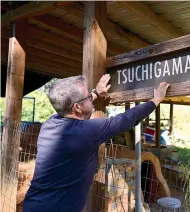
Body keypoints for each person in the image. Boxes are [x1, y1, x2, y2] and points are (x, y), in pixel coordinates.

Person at [23, 74, 170, 212]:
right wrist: (155, 100)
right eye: (87, 96)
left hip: (33, 204)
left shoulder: (50, 124)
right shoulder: (85, 132)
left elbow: (71, 109)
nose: (90, 97)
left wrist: (95, 93)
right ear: (77, 107)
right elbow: (125, 119)